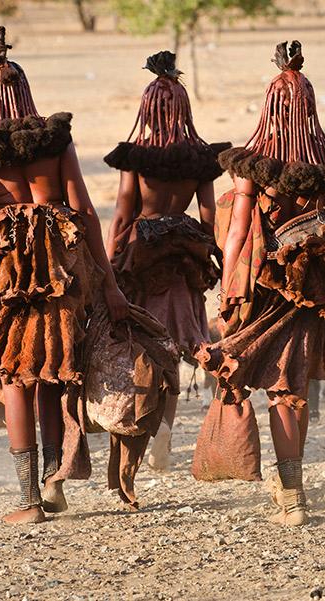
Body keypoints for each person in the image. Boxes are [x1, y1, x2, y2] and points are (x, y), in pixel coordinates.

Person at [0, 27, 129, 524]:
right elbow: (82, 210)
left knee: (14, 375)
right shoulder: (54, 139)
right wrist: (107, 280)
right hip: (56, 260)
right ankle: (54, 480)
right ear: (25, 89)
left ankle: (27, 502)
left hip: (4, 266)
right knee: (52, 368)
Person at [200, 41, 325, 526]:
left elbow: (238, 233)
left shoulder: (253, 168)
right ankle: (292, 489)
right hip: (314, 287)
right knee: (293, 386)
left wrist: (228, 296)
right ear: (311, 108)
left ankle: (293, 494)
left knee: (280, 387)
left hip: (262, 287)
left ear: (270, 109)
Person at [104, 50, 228, 471]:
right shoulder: (200, 158)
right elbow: (209, 216)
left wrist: (108, 263)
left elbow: (123, 213)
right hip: (184, 255)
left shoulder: (136, 157)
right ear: (183, 108)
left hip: (142, 255)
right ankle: (165, 431)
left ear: (147, 109)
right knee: (175, 346)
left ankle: (141, 430)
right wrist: (209, 254)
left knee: (144, 347)